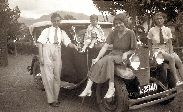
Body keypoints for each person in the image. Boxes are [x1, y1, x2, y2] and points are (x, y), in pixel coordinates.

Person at [79, 13, 138, 99]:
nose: (118, 25)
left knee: (109, 59)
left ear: (124, 22)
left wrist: (126, 53)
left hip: (123, 56)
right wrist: (97, 58)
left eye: (120, 23)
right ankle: (88, 88)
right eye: (116, 23)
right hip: (113, 55)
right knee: (97, 63)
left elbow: (134, 49)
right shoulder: (113, 33)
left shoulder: (130, 33)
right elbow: (105, 46)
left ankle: (111, 87)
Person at [37, 13, 78, 107]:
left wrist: (75, 46)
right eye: (54, 20)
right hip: (47, 50)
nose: (56, 22)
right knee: (48, 76)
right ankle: (51, 100)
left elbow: (68, 43)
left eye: (58, 20)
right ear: (51, 21)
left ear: (60, 21)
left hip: (57, 51)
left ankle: (56, 98)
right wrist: (41, 57)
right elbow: (40, 43)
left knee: (57, 76)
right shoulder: (46, 31)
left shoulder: (62, 32)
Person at [147, 12, 183, 86]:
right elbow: (149, 44)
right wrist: (150, 56)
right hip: (157, 50)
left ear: (164, 19)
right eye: (157, 19)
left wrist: (171, 52)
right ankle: (177, 80)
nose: (159, 20)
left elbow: (170, 43)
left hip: (166, 48)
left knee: (179, 61)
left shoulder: (167, 29)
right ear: (155, 20)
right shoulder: (152, 30)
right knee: (171, 58)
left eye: (161, 18)